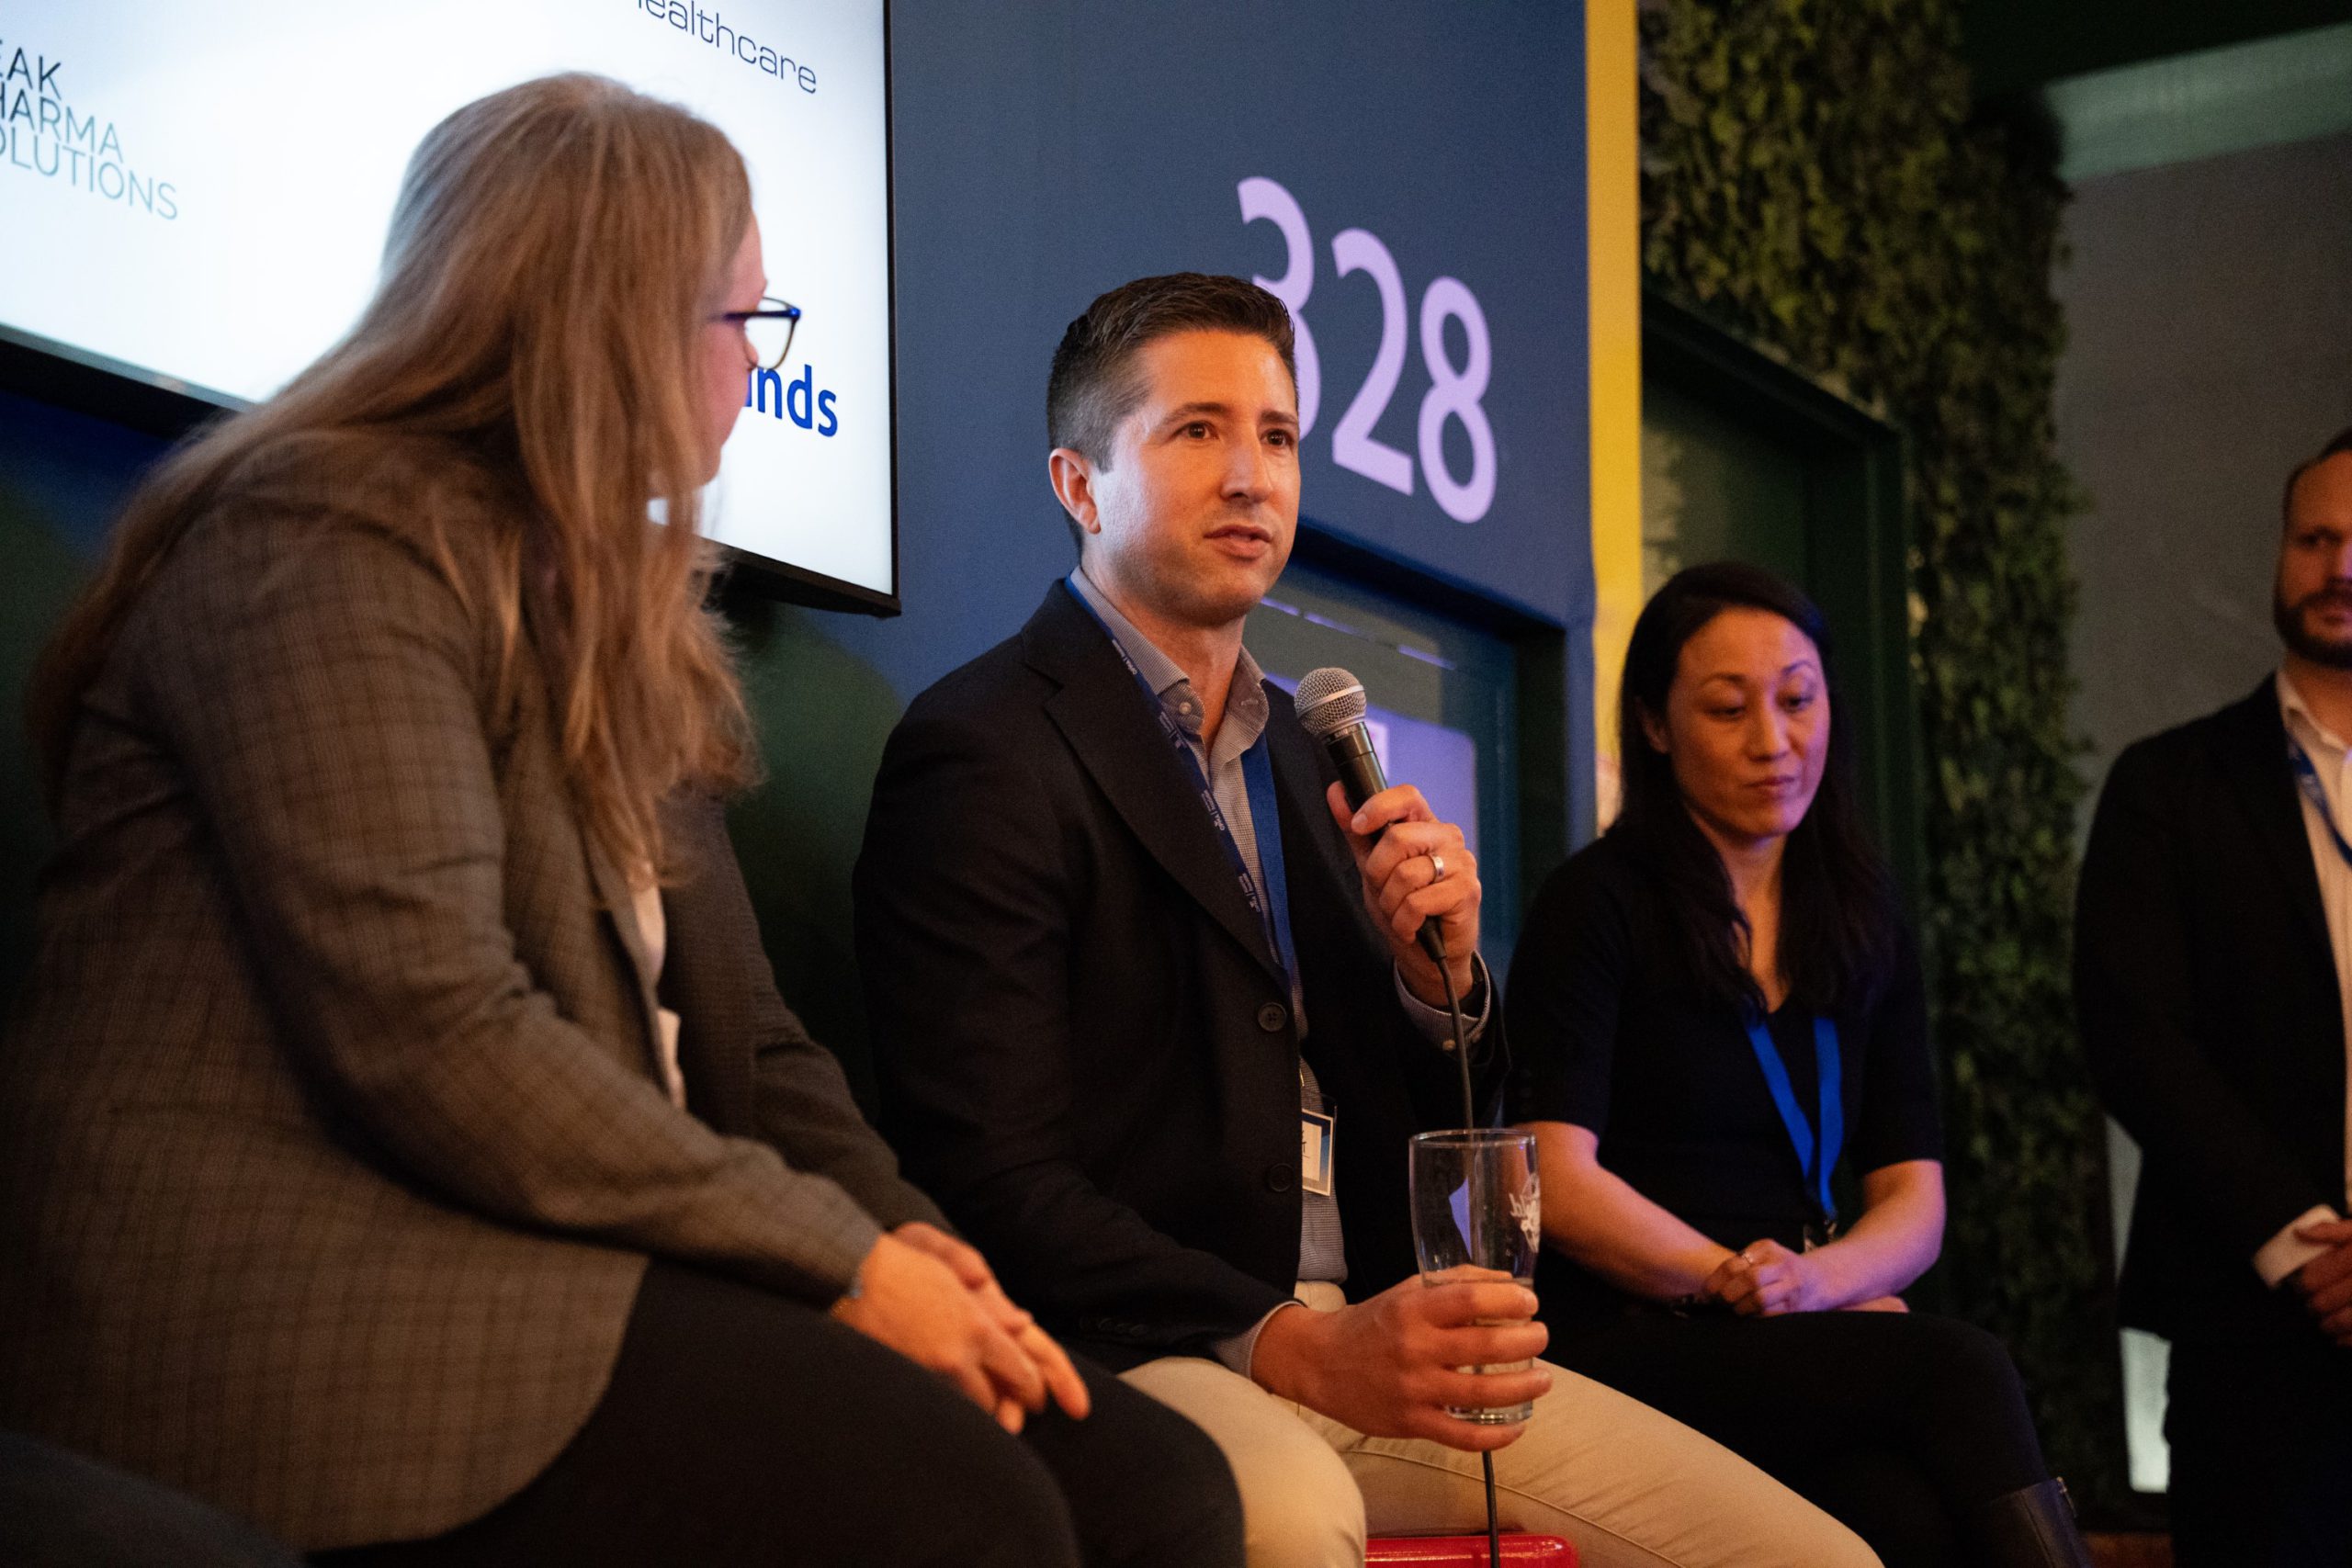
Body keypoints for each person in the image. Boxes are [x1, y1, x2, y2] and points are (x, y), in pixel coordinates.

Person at [0, 76, 1241, 1568]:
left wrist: (922, 1255)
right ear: (617, 315)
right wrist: (840, 1256)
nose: (756, 369)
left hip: (568, 1266)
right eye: (743, 321)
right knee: (959, 1506)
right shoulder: (325, 532)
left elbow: (759, 1053)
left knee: (1155, 1485)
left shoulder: (612, 615)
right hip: (302, 1309)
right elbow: (435, 1032)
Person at [854, 272, 1885, 1568]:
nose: (1252, 476)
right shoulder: (986, 745)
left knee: (1818, 1556)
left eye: (1278, 436)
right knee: (1290, 1522)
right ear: (1080, 484)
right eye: (1197, 431)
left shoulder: (1309, 748)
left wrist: (1434, 984)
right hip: (1140, 1343)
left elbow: (1436, 1106)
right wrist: (1291, 1339)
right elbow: (990, 1174)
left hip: (1382, 1333)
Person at [1505, 561, 2086, 1568]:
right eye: (1728, 709)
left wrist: (1814, 1285)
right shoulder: (1597, 902)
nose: (1773, 741)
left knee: (1905, 1520)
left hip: (1793, 1327)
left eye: (1797, 700)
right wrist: (1738, 1282)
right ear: (1654, 725)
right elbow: (1553, 1173)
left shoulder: (1859, 911)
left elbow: (1913, 1197)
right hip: (1640, 1329)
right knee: (1961, 1367)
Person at [2077, 427, 2352, 1568]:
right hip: (2248, 1323)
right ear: (2280, 553)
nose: (2338, 565)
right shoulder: (2169, 784)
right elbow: (2132, 1034)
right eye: (2315, 538)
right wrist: (2306, 1247)